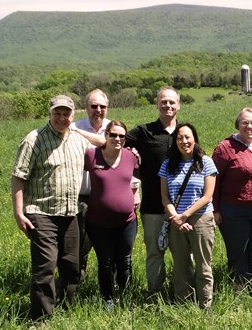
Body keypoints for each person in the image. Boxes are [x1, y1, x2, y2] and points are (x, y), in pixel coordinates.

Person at [11, 95, 90, 321]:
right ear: (50, 113)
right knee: (45, 267)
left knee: (72, 266)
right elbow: (18, 177)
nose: (62, 118)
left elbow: (104, 145)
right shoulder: (33, 140)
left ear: (73, 116)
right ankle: (41, 319)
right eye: (58, 113)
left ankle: (67, 308)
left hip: (70, 213)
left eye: (66, 114)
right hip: (41, 212)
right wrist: (18, 213)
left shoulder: (78, 140)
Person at [124, 87, 179, 296]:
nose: (168, 105)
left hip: (183, 208)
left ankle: (183, 290)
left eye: (172, 102)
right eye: (164, 102)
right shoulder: (144, 132)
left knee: (184, 254)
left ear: (178, 105)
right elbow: (115, 143)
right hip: (153, 206)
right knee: (155, 253)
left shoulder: (185, 133)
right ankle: (155, 293)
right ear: (157, 104)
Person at [212, 108, 252, 286]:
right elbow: (213, 180)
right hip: (234, 209)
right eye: (245, 122)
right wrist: (215, 209)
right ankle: (240, 290)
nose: (249, 126)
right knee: (238, 251)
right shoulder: (225, 148)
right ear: (238, 124)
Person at [159, 123, 218, 308]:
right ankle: (182, 304)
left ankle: (205, 305)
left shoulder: (205, 162)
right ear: (175, 141)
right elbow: (164, 197)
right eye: (179, 138)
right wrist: (176, 218)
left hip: (201, 219)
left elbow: (207, 196)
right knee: (181, 266)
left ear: (194, 139)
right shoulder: (167, 165)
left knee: (203, 266)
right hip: (176, 220)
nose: (184, 141)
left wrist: (184, 215)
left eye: (187, 137)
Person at [84, 120, 140, 309]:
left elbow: (136, 177)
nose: (117, 139)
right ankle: (107, 299)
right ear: (105, 135)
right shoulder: (91, 155)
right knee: (105, 262)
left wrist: (136, 193)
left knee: (124, 260)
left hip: (127, 221)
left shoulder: (131, 156)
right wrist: (74, 129)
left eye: (121, 136)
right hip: (98, 222)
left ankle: (127, 296)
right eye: (113, 134)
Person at [70, 89, 111, 281]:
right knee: (80, 244)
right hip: (83, 196)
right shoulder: (74, 127)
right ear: (86, 107)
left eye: (102, 106)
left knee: (111, 246)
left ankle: (112, 288)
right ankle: (76, 284)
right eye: (94, 106)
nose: (98, 110)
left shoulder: (114, 129)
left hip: (108, 197)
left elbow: (105, 143)